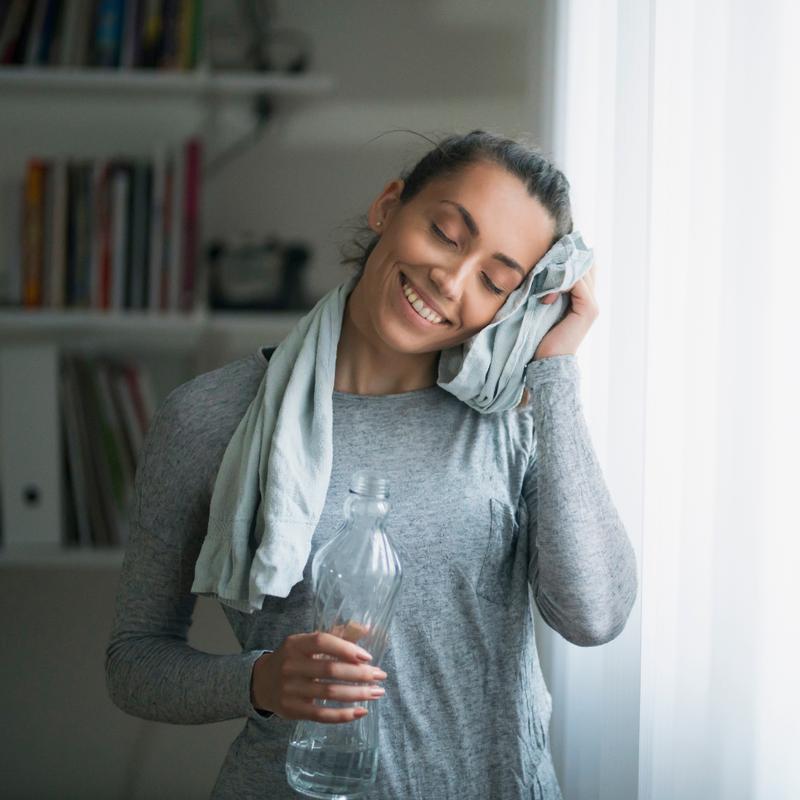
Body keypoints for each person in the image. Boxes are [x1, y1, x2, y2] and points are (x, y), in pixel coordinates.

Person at [105, 129, 638, 799]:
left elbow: (594, 615)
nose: (452, 278)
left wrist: (555, 370)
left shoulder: (515, 421)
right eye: (446, 233)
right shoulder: (210, 416)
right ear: (389, 207)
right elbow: (135, 662)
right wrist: (262, 680)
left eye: (495, 280)